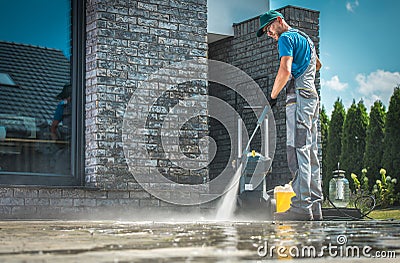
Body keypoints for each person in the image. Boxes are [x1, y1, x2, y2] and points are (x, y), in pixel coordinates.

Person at [257, 10, 323, 221]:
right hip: (311, 98)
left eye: (268, 28)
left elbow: (284, 70)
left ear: (278, 20)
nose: (269, 33)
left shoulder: (285, 38)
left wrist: (273, 95)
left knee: (297, 149)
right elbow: (318, 65)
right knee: (310, 150)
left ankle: (301, 206)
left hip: (299, 100)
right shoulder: (305, 38)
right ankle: (314, 205)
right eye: (266, 31)